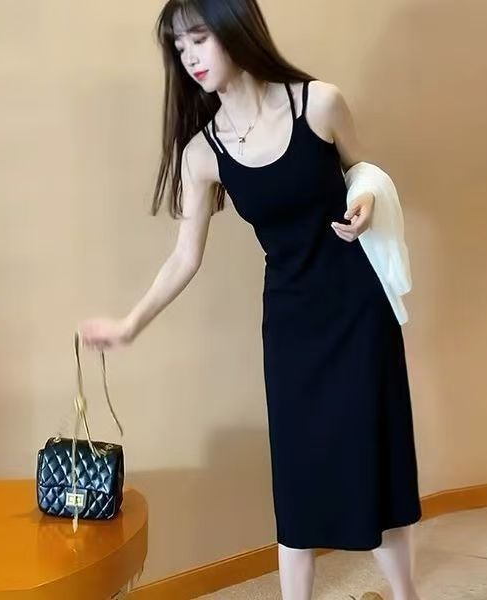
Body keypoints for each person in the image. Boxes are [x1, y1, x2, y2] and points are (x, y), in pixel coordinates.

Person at [78, 1, 423, 599]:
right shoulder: (202, 153)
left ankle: (406, 595)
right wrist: (131, 324)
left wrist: (365, 200)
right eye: (179, 47)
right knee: (296, 478)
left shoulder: (319, 103)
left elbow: (363, 170)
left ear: (235, 29)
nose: (189, 57)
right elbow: (185, 257)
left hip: (358, 311)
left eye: (199, 38)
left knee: (377, 462)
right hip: (290, 325)